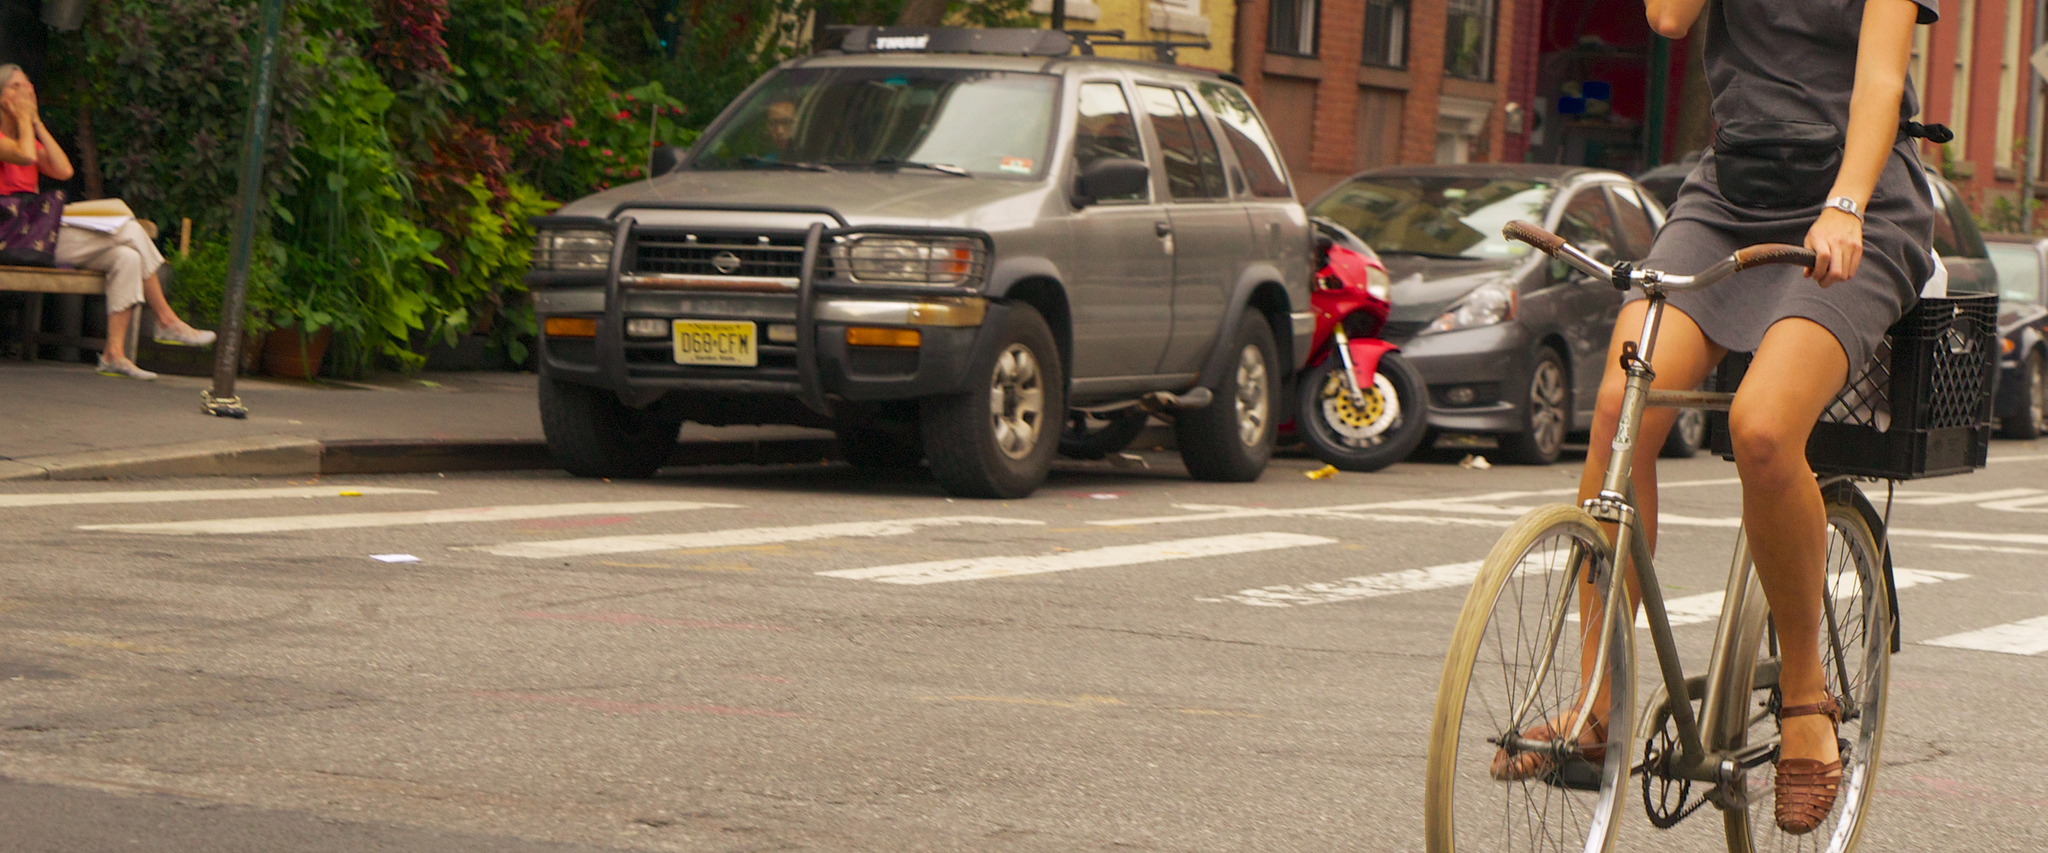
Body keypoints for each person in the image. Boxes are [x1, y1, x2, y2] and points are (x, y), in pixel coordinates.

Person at [1492, 0, 1940, 836]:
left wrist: (1845, 204)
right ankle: (1596, 709)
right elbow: (1665, 18)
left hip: (1858, 203)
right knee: (1625, 403)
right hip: (1731, 190)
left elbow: (1881, 78)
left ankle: (1807, 696)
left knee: (1764, 429)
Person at [0, 64, 215, 380]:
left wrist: (36, 123)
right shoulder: (10, 140)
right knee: (128, 228)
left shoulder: (28, 136)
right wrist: (21, 119)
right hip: (12, 234)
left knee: (126, 256)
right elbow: (24, 156)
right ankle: (167, 320)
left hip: (36, 237)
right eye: (17, 87)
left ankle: (114, 353)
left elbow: (63, 170)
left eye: (29, 86)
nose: (26, 93)